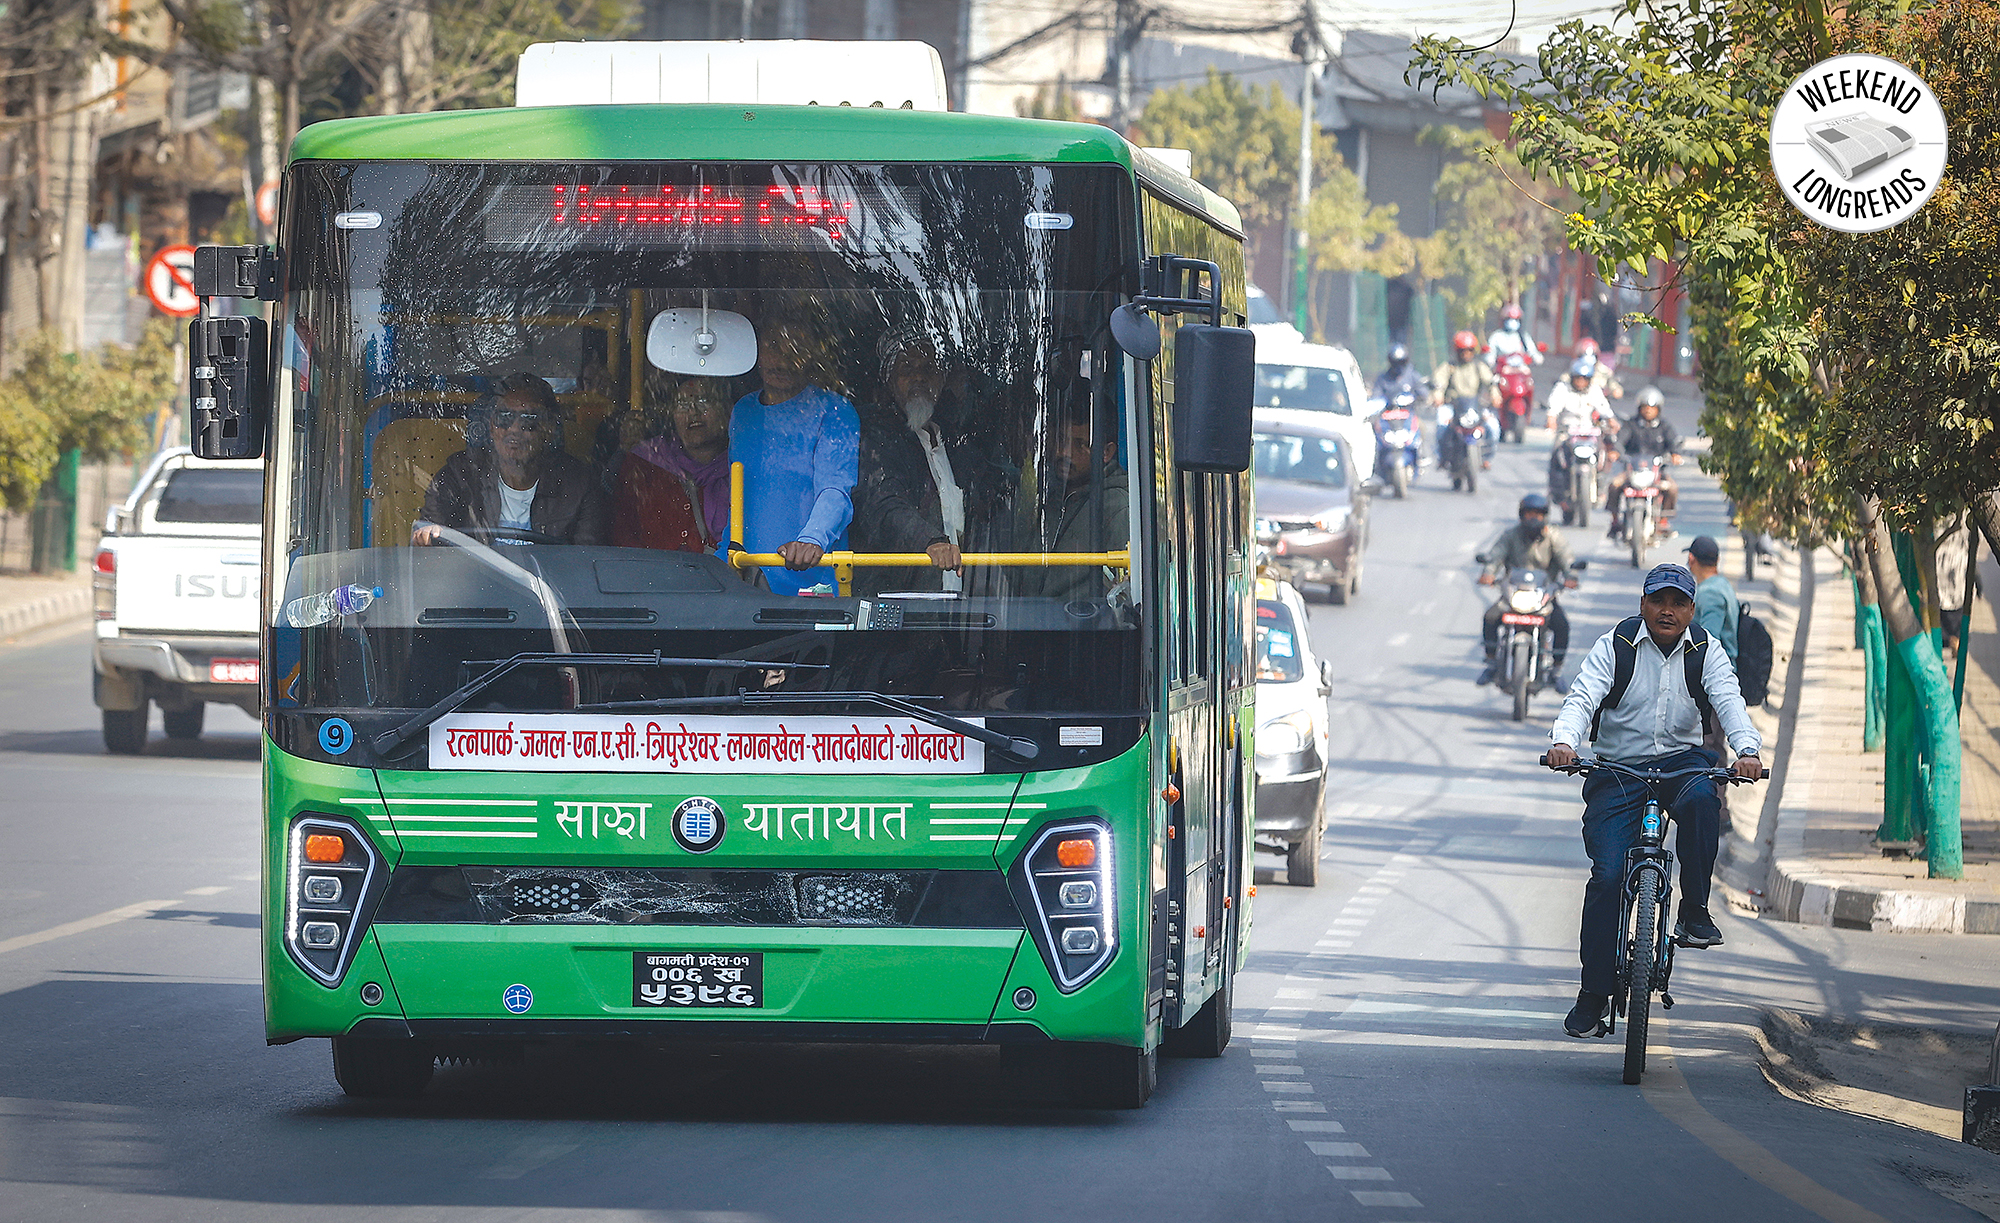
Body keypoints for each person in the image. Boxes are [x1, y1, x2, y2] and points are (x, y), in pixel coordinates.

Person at [1546, 563, 1763, 1038]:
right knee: (1606, 877)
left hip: (1680, 764)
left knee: (1706, 801)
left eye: (1678, 603)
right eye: (1658, 601)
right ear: (1643, 604)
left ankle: (1694, 912)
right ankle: (1593, 993)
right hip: (1618, 769)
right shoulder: (1616, 645)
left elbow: (1729, 700)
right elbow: (1582, 697)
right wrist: (1565, 742)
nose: (1668, 611)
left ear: (1690, 609)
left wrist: (1748, 750)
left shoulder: (1706, 651)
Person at [728, 319, 860, 595]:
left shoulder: (835, 410)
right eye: (774, 346)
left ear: (812, 355)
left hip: (811, 584)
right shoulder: (743, 411)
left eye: (796, 348)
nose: (783, 358)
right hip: (741, 580)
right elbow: (739, 498)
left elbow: (835, 490)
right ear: (758, 352)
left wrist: (812, 540)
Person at [851, 328, 985, 597]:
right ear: (888, 381)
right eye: (906, 369)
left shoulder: (954, 441)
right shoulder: (876, 437)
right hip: (899, 606)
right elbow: (884, 503)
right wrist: (930, 541)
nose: (918, 378)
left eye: (928, 368)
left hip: (955, 601)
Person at [413, 372, 609, 547]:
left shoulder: (580, 484)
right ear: (491, 426)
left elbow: (586, 560)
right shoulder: (459, 473)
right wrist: (428, 536)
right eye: (504, 418)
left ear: (548, 429)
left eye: (529, 420)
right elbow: (428, 534)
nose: (514, 429)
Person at [614, 377, 735, 554]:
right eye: (682, 404)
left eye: (703, 401)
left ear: (727, 411)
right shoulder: (646, 461)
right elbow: (622, 532)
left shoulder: (742, 465)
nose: (693, 411)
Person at [1028, 400, 1128, 602]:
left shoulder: (1119, 507)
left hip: (1079, 630)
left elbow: (1120, 595)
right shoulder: (1045, 498)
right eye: (1061, 441)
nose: (1063, 453)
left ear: (1106, 453)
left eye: (1080, 445)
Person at [1478, 493, 1576, 688]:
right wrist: (1488, 573)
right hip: (1513, 595)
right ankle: (1490, 662)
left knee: (1562, 625)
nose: (1533, 518)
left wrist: (1570, 576)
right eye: (1529, 513)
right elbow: (1495, 556)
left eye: (1538, 514)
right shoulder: (1510, 535)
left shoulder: (1553, 536)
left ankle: (1556, 670)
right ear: (1521, 515)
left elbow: (1567, 559)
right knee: (1490, 617)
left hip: (1543, 596)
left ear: (1545, 516)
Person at [1605, 386, 1683, 537]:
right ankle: (1615, 521)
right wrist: (1615, 452)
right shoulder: (1631, 425)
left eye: (1652, 408)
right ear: (1639, 408)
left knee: (1672, 488)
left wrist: (1675, 454)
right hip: (1632, 470)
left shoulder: (1664, 427)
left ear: (1658, 409)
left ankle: (1663, 522)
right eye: (1645, 407)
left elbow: (1674, 442)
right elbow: (1620, 441)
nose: (1648, 411)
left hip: (1656, 472)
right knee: (1614, 485)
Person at [1545, 358, 1617, 506]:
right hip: (1567, 431)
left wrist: (1612, 421)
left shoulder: (1594, 390)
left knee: (1603, 454)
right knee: (1557, 455)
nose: (1580, 382)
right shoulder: (1562, 388)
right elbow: (1554, 408)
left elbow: (1604, 408)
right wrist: (1551, 421)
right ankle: (1556, 490)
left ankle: (1600, 486)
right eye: (1578, 378)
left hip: (1588, 432)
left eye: (1584, 379)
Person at [1432, 330, 1500, 467]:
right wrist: (1438, 396)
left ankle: (1486, 457)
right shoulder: (1449, 367)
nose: (1466, 354)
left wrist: (1495, 395)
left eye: (1469, 350)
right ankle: (1442, 457)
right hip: (1452, 406)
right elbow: (1439, 383)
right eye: (1463, 350)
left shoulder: (1479, 367)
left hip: (1474, 406)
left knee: (1493, 427)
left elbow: (1490, 383)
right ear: (1457, 351)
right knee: (1441, 425)